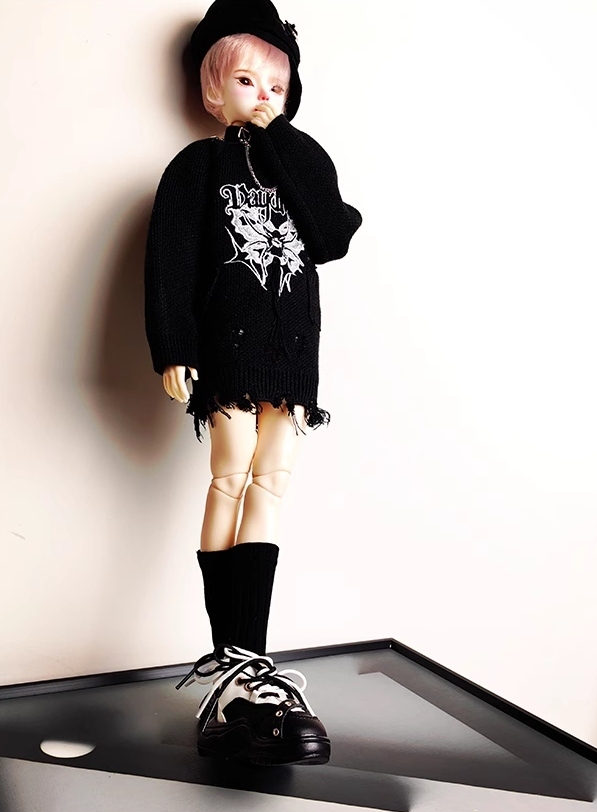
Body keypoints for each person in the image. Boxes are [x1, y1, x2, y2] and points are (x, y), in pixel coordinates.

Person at [144, 0, 362, 766]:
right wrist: (172, 347)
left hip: (293, 353)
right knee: (229, 477)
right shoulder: (197, 167)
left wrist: (280, 140)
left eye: (277, 84)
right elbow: (170, 262)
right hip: (228, 352)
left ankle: (250, 658)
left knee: (270, 484)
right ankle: (232, 656)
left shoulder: (300, 159)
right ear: (212, 89)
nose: (265, 94)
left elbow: (330, 235)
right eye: (246, 80)